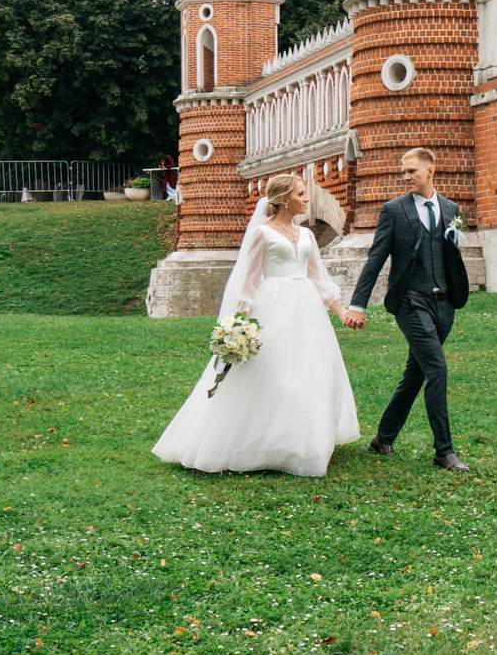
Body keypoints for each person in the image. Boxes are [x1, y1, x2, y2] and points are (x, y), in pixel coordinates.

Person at [152, 172, 362, 477]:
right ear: (283, 199)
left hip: (306, 309)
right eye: (301, 194)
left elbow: (318, 278)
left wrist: (341, 312)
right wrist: (237, 326)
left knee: (310, 372)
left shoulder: (306, 236)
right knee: (274, 373)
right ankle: (255, 442)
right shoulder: (262, 234)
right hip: (272, 305)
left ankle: (303, 444)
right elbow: (247, 283)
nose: (306, 199)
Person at [349, 147, 471, 470]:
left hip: (444, 305)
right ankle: (444, 451)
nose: (405, 177)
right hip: (409, 302)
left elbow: (451, 256)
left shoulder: (450, 208)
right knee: (437, 369)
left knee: (416, 374)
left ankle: (383, 438)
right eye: (403, 172)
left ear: (430, 171)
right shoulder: (394, 210)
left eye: (411, 171)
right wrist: (357, 305)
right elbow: (375, 260)